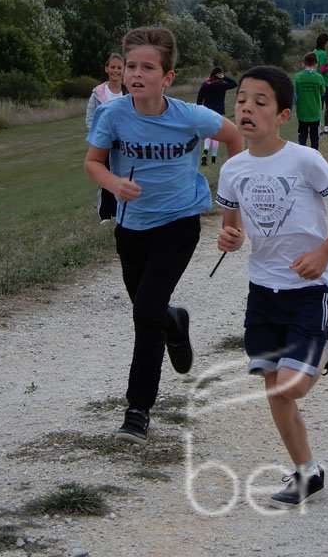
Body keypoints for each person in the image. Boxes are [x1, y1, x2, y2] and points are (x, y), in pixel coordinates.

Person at [84, 26, 243, 443]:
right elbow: (93, 163)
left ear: (167, 77)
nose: (136, 74)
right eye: (131, 66)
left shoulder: (190, 116)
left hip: (179, 224)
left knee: (144, 312)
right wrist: (114, 184)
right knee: (151, 309)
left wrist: (233, 203)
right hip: (131, 227)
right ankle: (176, 321)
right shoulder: (113, 114)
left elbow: (234, 137)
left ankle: (137, 410)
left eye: (147, 67)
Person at [216, 65, 328, 508]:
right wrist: (230, 237)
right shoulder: (233, 168)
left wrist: (324, 253)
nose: (247, 108)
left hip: (307, 288)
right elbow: (231, 229)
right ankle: (307, 472)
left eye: (260, 102)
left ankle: (327, 346)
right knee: (273, 387)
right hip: (262, 291)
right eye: (242, 99)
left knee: (291, 387)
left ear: (282, 115)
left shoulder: (305, 159)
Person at [85, 53, 127, 222]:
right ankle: (105, 215)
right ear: (106, 69)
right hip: (104, 145)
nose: (115, 71)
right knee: (105, 177)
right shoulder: (98, 94)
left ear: (123, 70)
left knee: (122, 177)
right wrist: (101, 138)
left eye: (119, 67)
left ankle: (119, 212)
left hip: (124, 145)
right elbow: (89, 120)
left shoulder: (129, 92)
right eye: (113, 67)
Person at [196, 67, 238, 165]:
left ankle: (205, 151)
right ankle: (214, 158)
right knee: (216, 134)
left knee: (208, 133)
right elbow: (234, 84)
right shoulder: (221, 85)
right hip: (218, 111)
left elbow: (199, 100)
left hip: (207, 111)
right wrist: (225, 77)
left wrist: (200, 110)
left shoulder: (206, 84)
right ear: (219, 75)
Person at [294, 52, 325, 149]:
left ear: (304, 63)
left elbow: (295, 95)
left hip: (302, 112)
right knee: (314, 136)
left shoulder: (298, 77)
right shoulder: (319, 77)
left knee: (302, 135)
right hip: (315, 112)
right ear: (316, 64)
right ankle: (314, 156)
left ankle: (302, 155)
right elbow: (322, 92)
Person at [313, 33, 328, 134]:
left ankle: (317, 129)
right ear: (325, 42)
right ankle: (326, 128)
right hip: (324, 82)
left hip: (315, 81)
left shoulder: (314, 52)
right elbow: (322, 69)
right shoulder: (323, 53)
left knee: (318, 106)